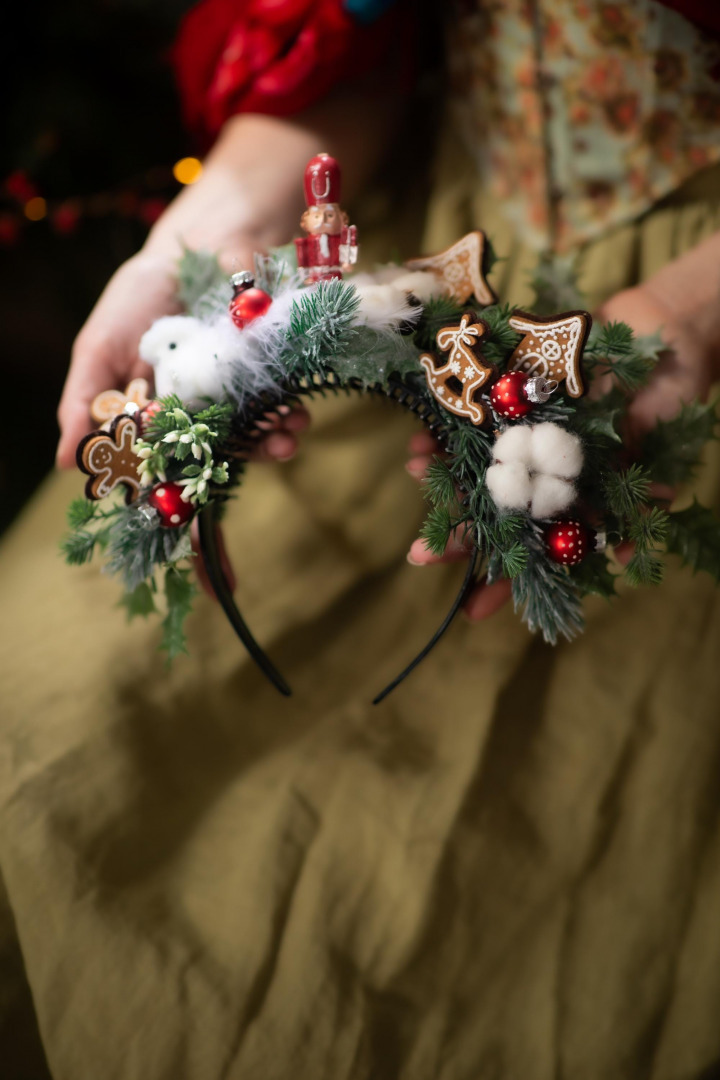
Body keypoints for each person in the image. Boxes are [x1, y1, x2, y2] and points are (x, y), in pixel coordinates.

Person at [2, 2, 720, 1077]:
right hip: (407, 250)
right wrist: (210, 228)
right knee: (47, 725)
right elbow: (358, 32)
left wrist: (690, 315)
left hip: (655, 331)